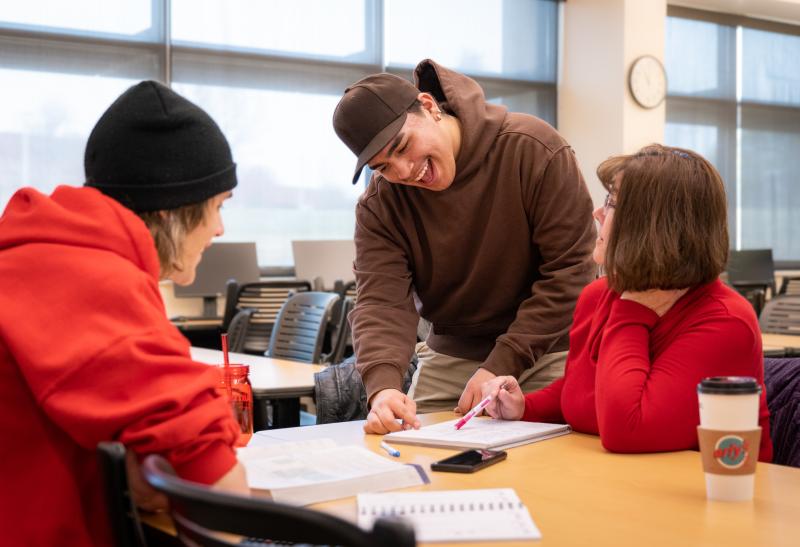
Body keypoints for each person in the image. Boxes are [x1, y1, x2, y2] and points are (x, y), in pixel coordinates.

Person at [0, 81, 250, 546]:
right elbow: (221, 504)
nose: (219, 228)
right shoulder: (85, 280)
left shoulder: (45, 255)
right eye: (217, 206)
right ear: (172, 212)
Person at [332, 59, 596, 434]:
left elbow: (571, 273)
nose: (404, 172)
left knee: (549, 467)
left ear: (429, 106)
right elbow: (381, 301)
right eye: (384, 166)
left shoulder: (534, 149)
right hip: (453, 353)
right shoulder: (381, 203)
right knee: (411, 450)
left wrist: (503, 361)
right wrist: (384, 388)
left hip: (547, 349)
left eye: (403, 146)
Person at [481, 144, 773, 461]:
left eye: (612, 203)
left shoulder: (725, 321)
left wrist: (632, 309)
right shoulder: (599, 295)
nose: (597, 213)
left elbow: (627, 428)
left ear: (652, 226)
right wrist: (526, 406)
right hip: (619, 484)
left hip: (707, 501)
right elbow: (587, 389)